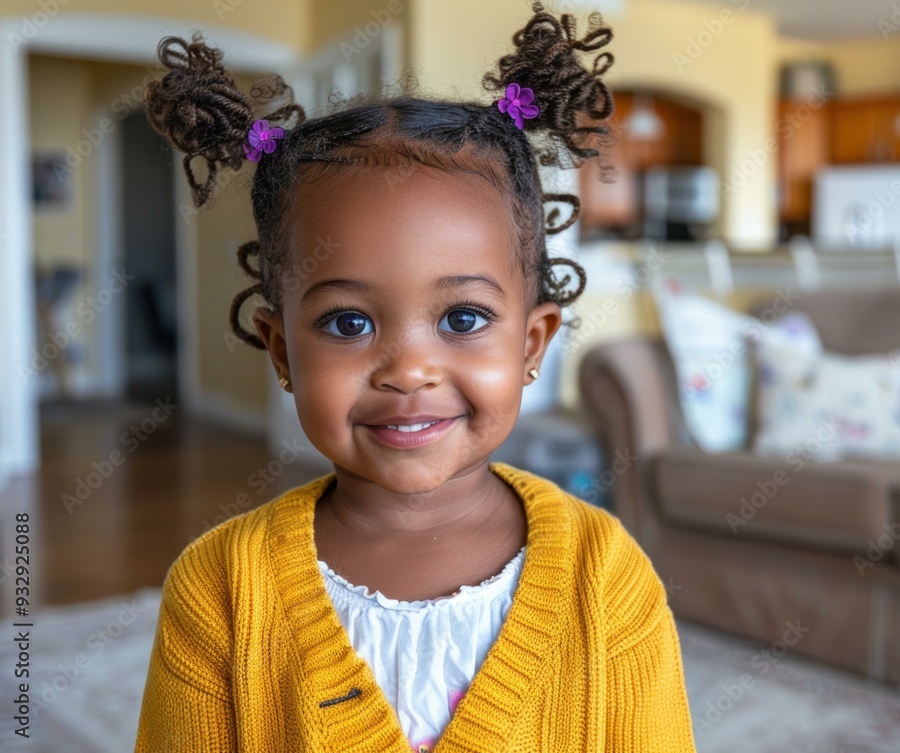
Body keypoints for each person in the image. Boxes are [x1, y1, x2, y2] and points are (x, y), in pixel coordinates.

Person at [135, 3, 697, 751]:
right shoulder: (217, 593)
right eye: (348, 322)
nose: (408, 370)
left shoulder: (608, 580)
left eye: (462, 318)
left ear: (534, 341)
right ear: (280, 352)